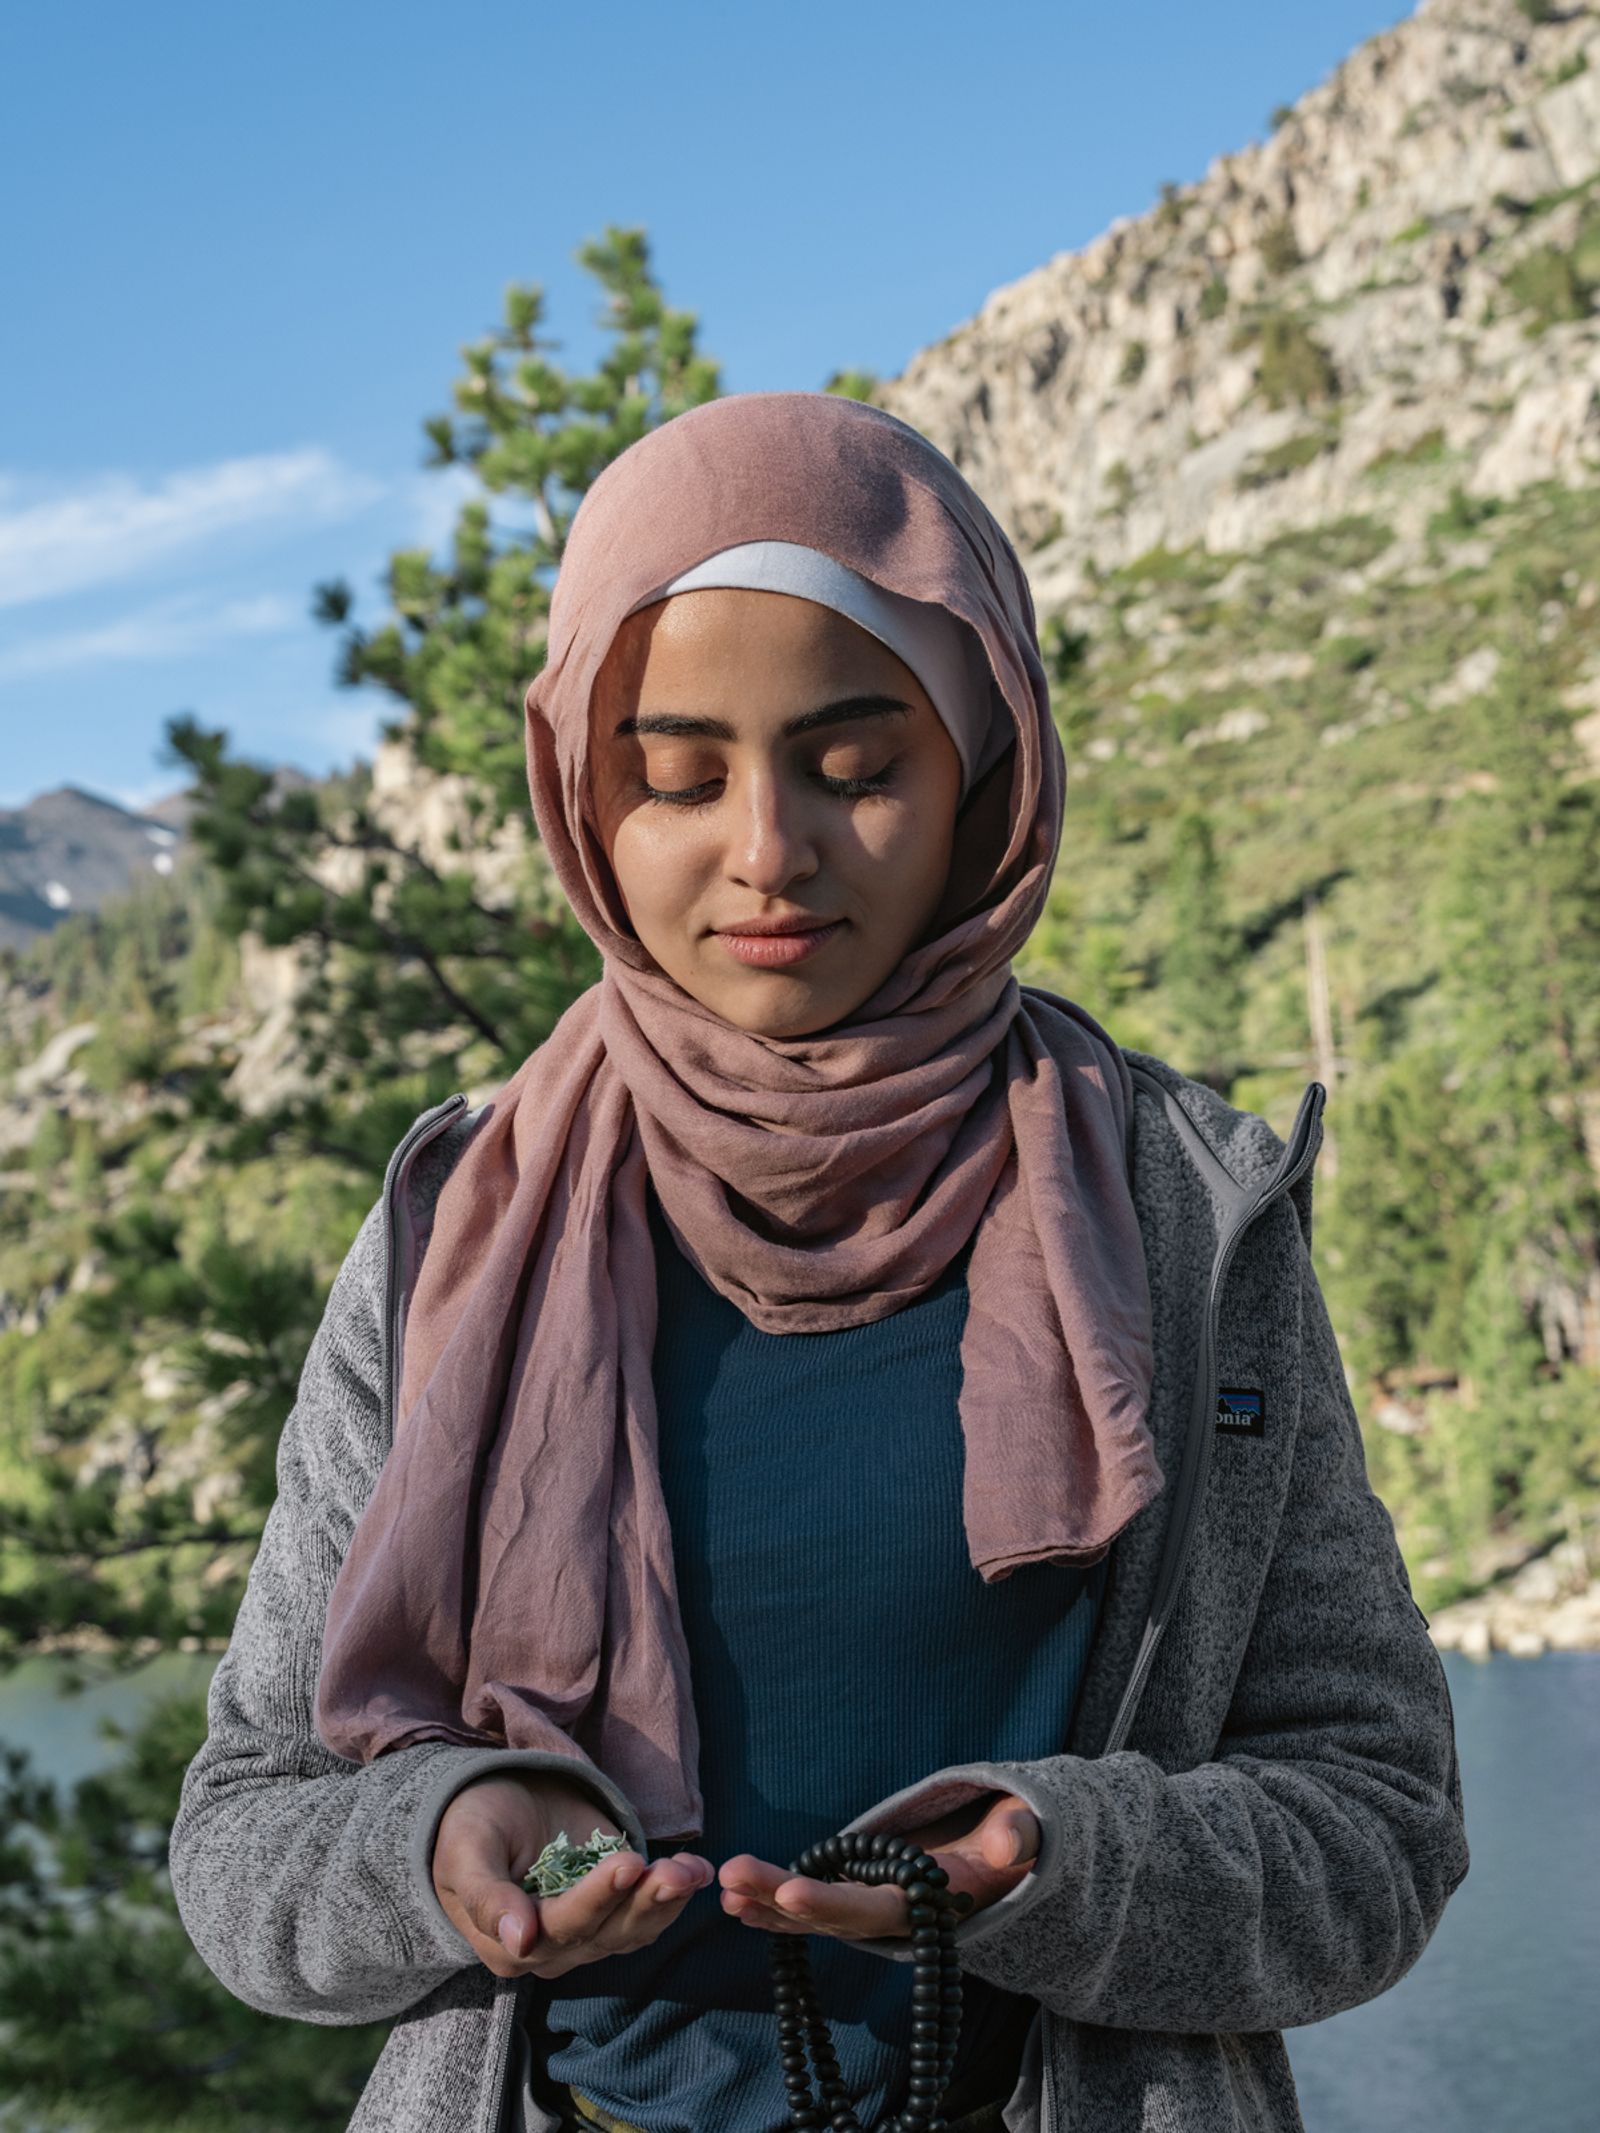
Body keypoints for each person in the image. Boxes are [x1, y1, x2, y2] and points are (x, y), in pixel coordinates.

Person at [169, 392, 1468, 2133]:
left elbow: (1375, 1818)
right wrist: (431, 1843)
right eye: (680, 774)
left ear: (980, 776)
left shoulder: (1180, 1214)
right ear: (583, 796)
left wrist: (1053, 1868)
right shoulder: (453, 1228)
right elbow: (245, 1836)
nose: (768, 849)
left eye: (858, 767)